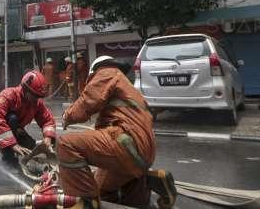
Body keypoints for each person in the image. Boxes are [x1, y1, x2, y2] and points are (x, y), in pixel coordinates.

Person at [58, 56, 176, 209]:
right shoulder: (128, 88)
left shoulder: (108, 72)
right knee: (104, 191)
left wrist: (67, 116)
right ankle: (149, 181)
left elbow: (88, 101)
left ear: (94, 71)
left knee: (66, 144)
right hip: (143, 153)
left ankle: (85, 203)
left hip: (127, 142)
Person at [0, 70, 56, 166]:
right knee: (12, 119)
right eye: (35, 95)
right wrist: (13, 145)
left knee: (31, 146)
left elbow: (47, 120)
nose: (37, 99)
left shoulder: (35, 102)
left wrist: (48, 138)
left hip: (13, 127)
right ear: (25, 89)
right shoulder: (8, 95)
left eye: (39, 96)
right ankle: (9, 160)